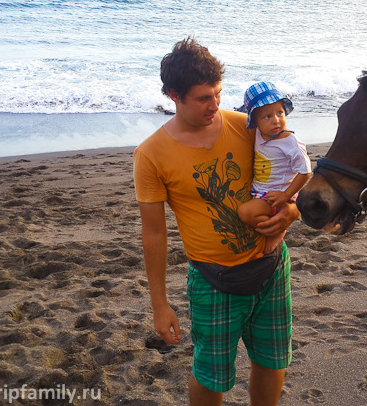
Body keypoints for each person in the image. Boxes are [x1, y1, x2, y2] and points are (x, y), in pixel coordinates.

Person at [133, 37, 299, 406]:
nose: (215, 105)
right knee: (211, 377)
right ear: (174, 95)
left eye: (219, 94)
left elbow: (293, 174)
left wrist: (289, 213)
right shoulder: (151, 154)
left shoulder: (248, 127)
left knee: (272, 362)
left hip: (272, 268)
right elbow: (154, 233)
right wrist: (159, 304)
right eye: (204, 98)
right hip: (214, 282)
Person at [236, 81, 311, 254]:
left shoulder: (290, 142)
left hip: (278, 195)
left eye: (280, 113)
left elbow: (305, 171)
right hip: (260, 191)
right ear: (254, 121)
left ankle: (278, 229)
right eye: (267, 116)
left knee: (245, 213)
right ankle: (277, 220)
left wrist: (286, 195)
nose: (276, 120)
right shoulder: (258, 134)